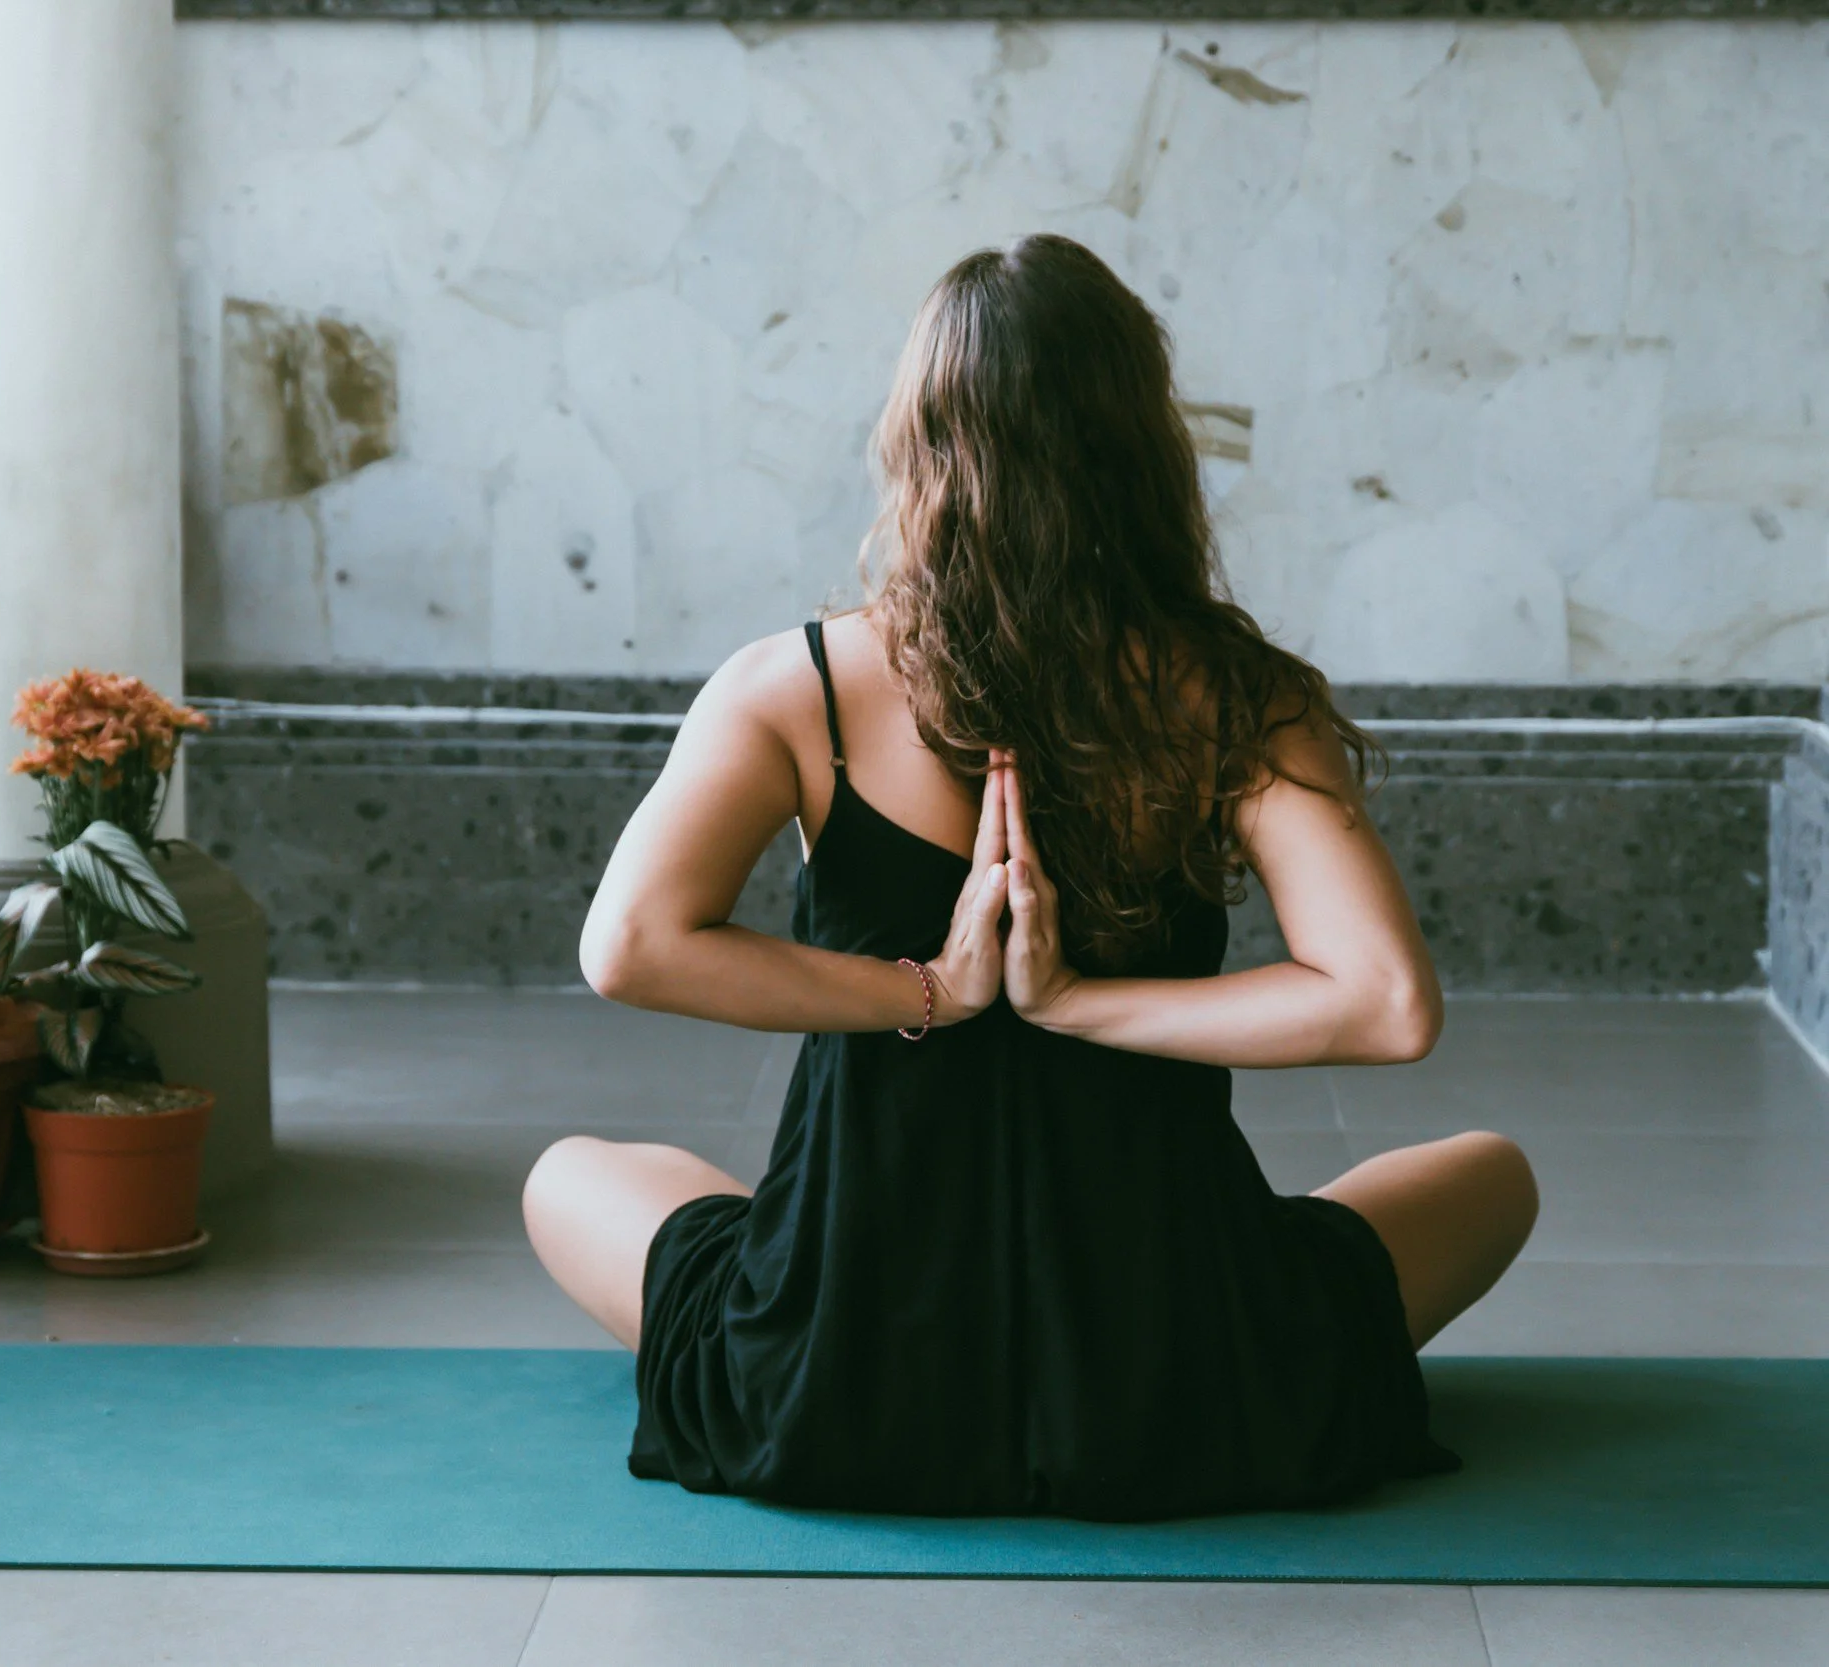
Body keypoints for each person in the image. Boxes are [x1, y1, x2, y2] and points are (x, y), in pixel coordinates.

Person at [521, 236, 1540, 1522]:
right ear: (1139, 444)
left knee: (569, 1172)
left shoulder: (796, 688)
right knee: (1493, 1169)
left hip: (841, 1374)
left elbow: (629, 947)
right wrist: (1074, 1001)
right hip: (1183, 1378)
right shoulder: (1234, 697)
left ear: (917, 441)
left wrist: (932, 990)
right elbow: (1387, 1005)